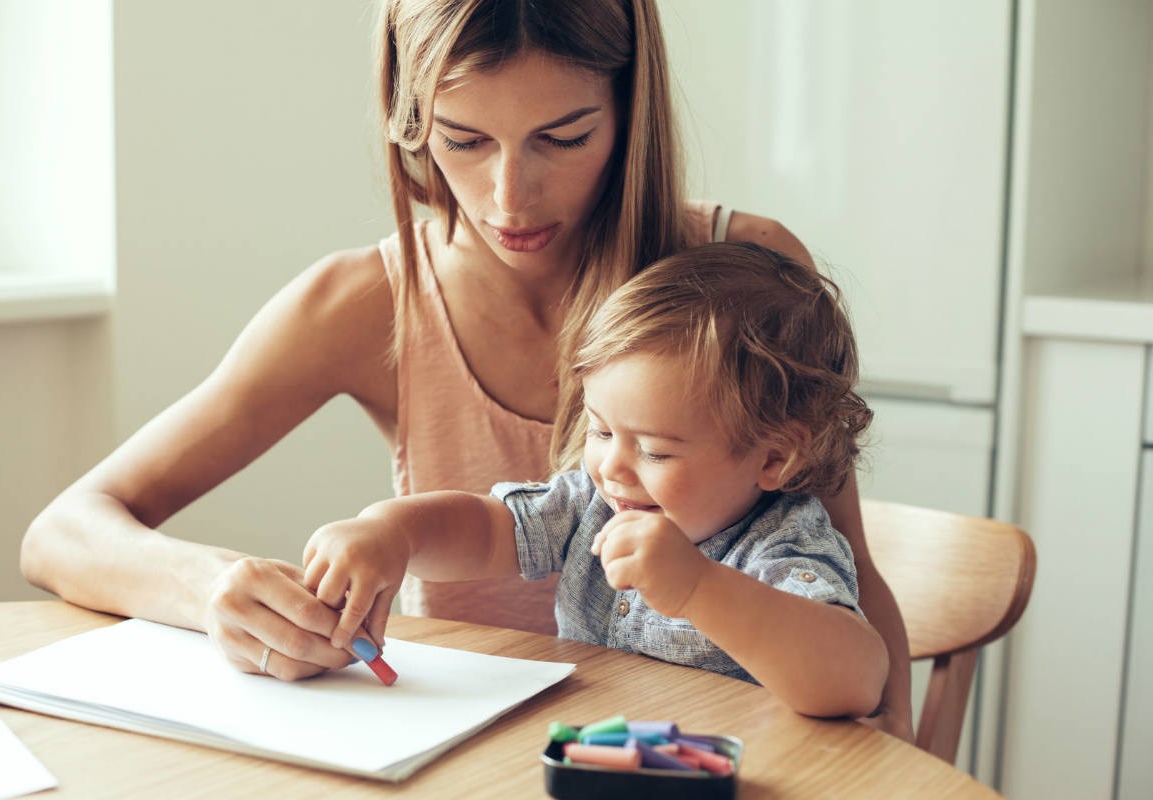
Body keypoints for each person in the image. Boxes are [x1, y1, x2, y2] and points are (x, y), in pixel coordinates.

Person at [19, 0, 914, 738]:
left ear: (631, 108)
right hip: (456, 762)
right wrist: (215, 589)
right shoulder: (361, 301)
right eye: (463, 139)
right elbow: (62, 531)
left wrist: (890, 765)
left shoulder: (745, 284)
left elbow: (853, 595)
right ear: (410, 120)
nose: (508, 199)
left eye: (563, 138)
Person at [303, 242, 888, 718]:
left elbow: (854, 680)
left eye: (655, 451)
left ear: (772, 459)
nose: (611, 466)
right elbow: (485, 530)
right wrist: (392, 533)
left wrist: (698, 588)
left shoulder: (782, 543)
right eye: (601, 431)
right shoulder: (595, 504)